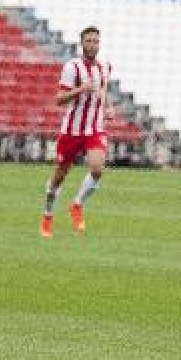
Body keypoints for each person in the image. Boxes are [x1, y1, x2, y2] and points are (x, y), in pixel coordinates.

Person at [40, 26, 112, 238]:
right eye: (88, 41)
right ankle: (47, 214)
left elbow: (103, 90)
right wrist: (81, 89)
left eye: (95, 41)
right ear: (82, 44)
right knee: (59, 176)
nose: (92, 45)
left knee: (97, 168)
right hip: (72, 130)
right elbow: (59, 99)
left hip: (94, 128)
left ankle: (77, 205)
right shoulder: (72, 67)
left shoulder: (105, 66)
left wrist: (108, 107)